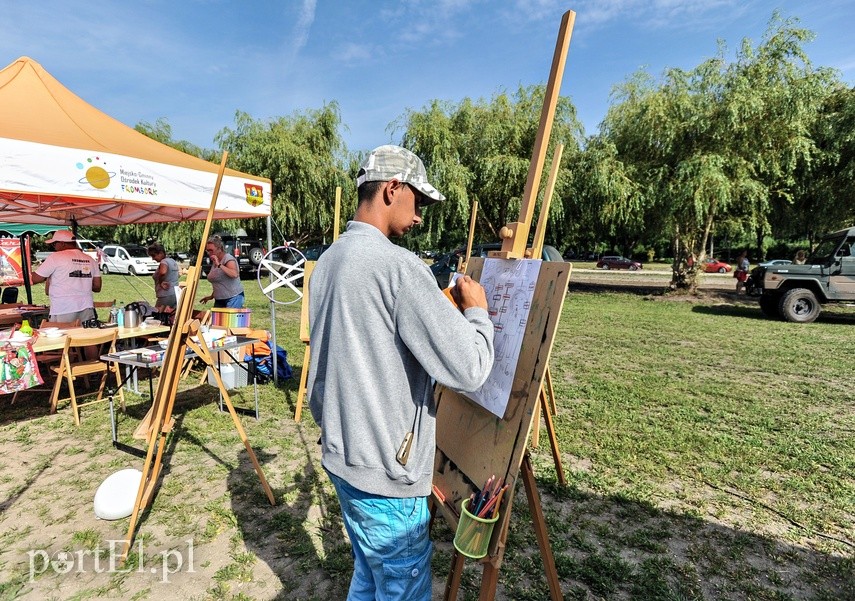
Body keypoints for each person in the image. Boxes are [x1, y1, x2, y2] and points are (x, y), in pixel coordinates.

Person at [307, 145, 495, 600]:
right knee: (398, 587)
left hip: (343, 456)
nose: (419, 218)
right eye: (419, 202)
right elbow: (470, 368)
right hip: (385, 477)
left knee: (369, 576)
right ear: (393, 189)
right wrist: (478, 314)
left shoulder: (330, 260)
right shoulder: (398, 266)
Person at [31, 229, 101, 323]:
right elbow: (97, 287)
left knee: (62, 337)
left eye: (54, 244)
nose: (54, 247)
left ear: (62, 243)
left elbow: (35, 278)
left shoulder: (56, 257)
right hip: (86, 308)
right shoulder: (90, 259)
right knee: (84, 337)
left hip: (63, 309)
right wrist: (81, 281)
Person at [199, 236, 244, 308]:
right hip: (219, 299)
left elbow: (234, 274)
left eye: (211, 250)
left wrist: (219, 265)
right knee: (217, 319)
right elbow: (219, 282)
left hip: (233, 298)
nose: (209, 253)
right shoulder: (215, 261)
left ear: (219, 249)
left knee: (229, 319)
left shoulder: (228, 259)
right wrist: (211, 296)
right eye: (207, 250)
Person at [147, 242, 180, 310]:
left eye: (154, 256)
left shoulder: (164, 262)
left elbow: (163, 272)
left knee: (157, 314)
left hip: (165, 295)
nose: (153, 259)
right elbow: (178, 274)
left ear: (161, 253)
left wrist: (160, 281)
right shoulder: (172, 261)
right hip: (175, 294)